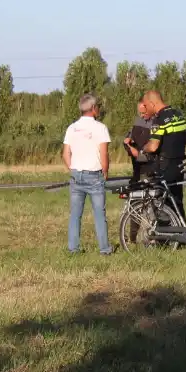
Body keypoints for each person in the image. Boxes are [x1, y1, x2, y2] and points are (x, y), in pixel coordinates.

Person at [61, 93, 113, 255]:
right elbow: (104, 153)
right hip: (94, 174)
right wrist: (105, 171)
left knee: (75, 214)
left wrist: (73, 169)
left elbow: (65, 153)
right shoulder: (100, 128)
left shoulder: (72, 128)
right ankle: (104, 248)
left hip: (76, 174)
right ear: (93, 108)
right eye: (97, 106)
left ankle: (73, 248)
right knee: (99, 214)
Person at [141, 89, 186, 222]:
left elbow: (153, 146)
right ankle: (182, 233)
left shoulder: (159, 119)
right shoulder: (179, 114)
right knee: (177, 200)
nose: (145, 109)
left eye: (145, 105)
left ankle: (167, 235)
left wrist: (143, 148)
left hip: (165, 164)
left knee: (163, 201)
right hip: (180, 163)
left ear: (152, 103)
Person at [124, 99, 157, 183]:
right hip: (136, 166)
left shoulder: (157, 122)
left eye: (144, 113)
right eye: (140, 113)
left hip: (150, 166)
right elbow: (130, 136)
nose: (142, 116)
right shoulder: (137, 120)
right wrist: (129, 140)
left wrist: (140, 155)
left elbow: (155, 145)